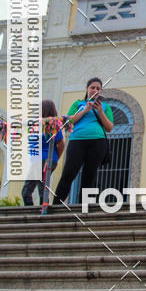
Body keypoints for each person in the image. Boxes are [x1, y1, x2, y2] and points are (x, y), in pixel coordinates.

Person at [53, 77, 114, 206]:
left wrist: (100, 111)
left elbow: (109, 128)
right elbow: (68, 122)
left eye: (98, 88)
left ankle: (85, 208)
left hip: (98, 142)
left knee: (90, 175)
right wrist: (85, 110)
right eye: (93, 87)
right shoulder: (78, 104)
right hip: (77, 141)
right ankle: (56, 205)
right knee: (69, 173)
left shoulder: (105, 107)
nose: (95, 90)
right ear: (87, 89)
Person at [21, 100, 65, 206]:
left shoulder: (52, 126)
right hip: (35, 161)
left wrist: (54, 159)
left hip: (46, 159)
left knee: (42, 189)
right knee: (26, 192)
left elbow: (61, 144)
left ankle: (43, 212)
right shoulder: (35, 126)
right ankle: (31, 213)